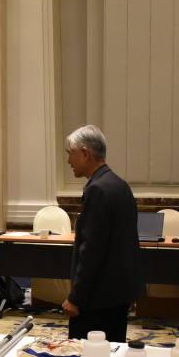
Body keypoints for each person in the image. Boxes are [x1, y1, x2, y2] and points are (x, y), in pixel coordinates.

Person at [62, 125, 145, 342]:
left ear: (85, 153)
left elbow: (91, 251)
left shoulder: (97, 189)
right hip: (117, 295)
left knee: (87, 356)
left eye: (70, 153)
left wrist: (75, 298)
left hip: (97, 298)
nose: (68, 160)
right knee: (113, 352)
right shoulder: (120, 185)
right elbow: (128, 243)